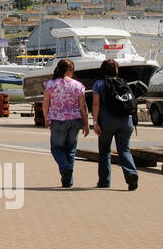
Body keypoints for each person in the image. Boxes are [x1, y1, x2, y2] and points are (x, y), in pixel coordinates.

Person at [91, 59, 148, 190]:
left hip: (107, 121)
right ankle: (131, 174)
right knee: (124, 150)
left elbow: (95, 104)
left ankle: (104, 181)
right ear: (116, 69)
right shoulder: (123, 82)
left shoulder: (98, 84)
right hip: (126, 120)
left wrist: (95, 122)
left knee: (104, 151)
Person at [42, 59, 89, 188]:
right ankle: (68, 179)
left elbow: (45, 105)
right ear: (68, 70)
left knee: (56, 149)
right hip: (75, 120)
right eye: (72, 70)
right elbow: (83, 106)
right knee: (71, 150)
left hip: (57, 120)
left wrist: (46, 119)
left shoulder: (51, 85)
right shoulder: (78, 85)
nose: (73, 72)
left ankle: (65, 169)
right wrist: (86, 124)